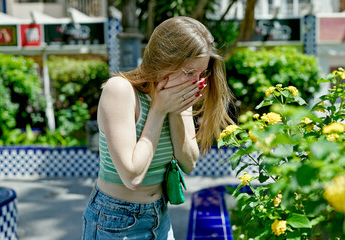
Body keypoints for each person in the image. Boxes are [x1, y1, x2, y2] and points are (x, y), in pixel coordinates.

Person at [82, 16, 234, 239]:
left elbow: (189, 162)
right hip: (114, 220)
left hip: (159, 216)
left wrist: (175, 111)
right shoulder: (120, 91)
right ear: (163, 60)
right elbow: (132, 177)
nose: (195, 81)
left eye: (201, 74)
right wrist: (158, 111)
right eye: (189, 72)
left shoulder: (176, 97)